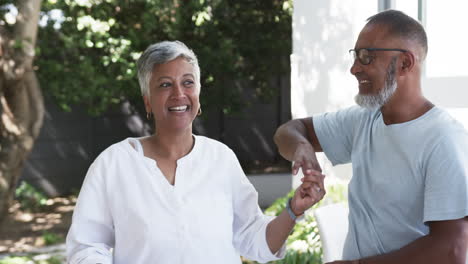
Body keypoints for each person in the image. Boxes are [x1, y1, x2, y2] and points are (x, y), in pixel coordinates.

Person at [66, 40, 325, 264]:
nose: (179, 94)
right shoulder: (115, 164)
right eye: (165, 85)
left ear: (198, 95)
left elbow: (254, 239)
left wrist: (293, 210)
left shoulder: (220, 159)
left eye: (187, 82)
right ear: (147, 100)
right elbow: (85, 247)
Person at [274, 9, 468, 264]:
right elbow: (287, 132)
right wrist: (303, 146)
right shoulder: (364, 119)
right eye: (355, 56)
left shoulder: (443, 139)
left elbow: (452, 249)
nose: (354, 68)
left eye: (367, 57)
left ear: (405, 63)